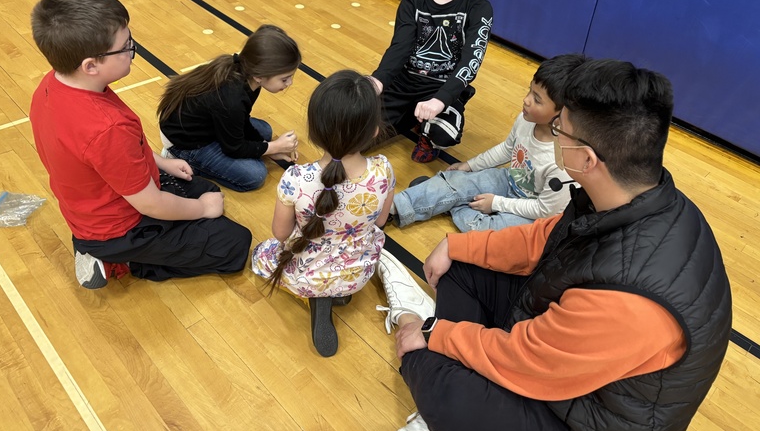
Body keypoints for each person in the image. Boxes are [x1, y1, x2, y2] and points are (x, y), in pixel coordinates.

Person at [377, 59, 732, 431]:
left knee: (435, 377)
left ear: (586, 158)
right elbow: (544, 236)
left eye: (561, 128)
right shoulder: (631, 194)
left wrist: (433, 334)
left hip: (586, 415)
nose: (554, 133)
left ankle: (431, 363)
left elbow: (527, 360)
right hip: (565, 360)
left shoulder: (630, 300)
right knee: (462, 267)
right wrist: (456, 245)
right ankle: (460, 367)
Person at [29, 0, 252, 288]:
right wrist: (201, 209)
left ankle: (106, 248)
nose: (133, 50)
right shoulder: (106, 128)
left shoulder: (54, 84)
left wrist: (162, 163)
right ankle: (123, 260)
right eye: (125, 46)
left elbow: (116, 155)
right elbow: (150, 204)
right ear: (90, 66)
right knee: (235, 244)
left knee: (203, 187)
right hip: (121, 227)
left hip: (96, 205)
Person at [252, 70, 395, 357]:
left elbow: (280, 234)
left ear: (314, 130)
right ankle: (334, 294)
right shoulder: (383, 170)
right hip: (358, 272)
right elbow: (380, 221)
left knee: (260, 254)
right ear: (374, 131)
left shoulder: (296, 178)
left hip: (306, 274)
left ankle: (317, 296)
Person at [391, 54, 588, 232]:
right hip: (510, 181)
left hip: (535, 212)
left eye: (537, 99)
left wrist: (496, 204)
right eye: (529, 91)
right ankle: (394, 208)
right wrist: (469, 166)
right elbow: (506, 149)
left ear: (562, 115)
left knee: (489, 231)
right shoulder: (525, 120)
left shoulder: (564, 163)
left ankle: (451, 203)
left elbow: (544, 211)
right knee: (458, 180)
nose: (526, 100)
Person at [369, 0, 493, 163]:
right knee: (358, 136)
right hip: (404, 82)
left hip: (443, 86)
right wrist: (378, 80)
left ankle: (428, 130)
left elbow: (471, 62)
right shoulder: (414, 0)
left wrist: (441, 100)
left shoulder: (479, 7)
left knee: (443, 134)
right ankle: (411, 116)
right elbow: (400, 48)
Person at [157, 25, 301, 192]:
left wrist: (266, 147)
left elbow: (242, 119)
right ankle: (180, 160)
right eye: (284, 79)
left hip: (206, 125)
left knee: (265, 131)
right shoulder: (231, 98)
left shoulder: (247, 75)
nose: (290, 83)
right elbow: (234, 148)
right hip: (185, 142)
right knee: (255, 175)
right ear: (259, 75)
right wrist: (273, 148)